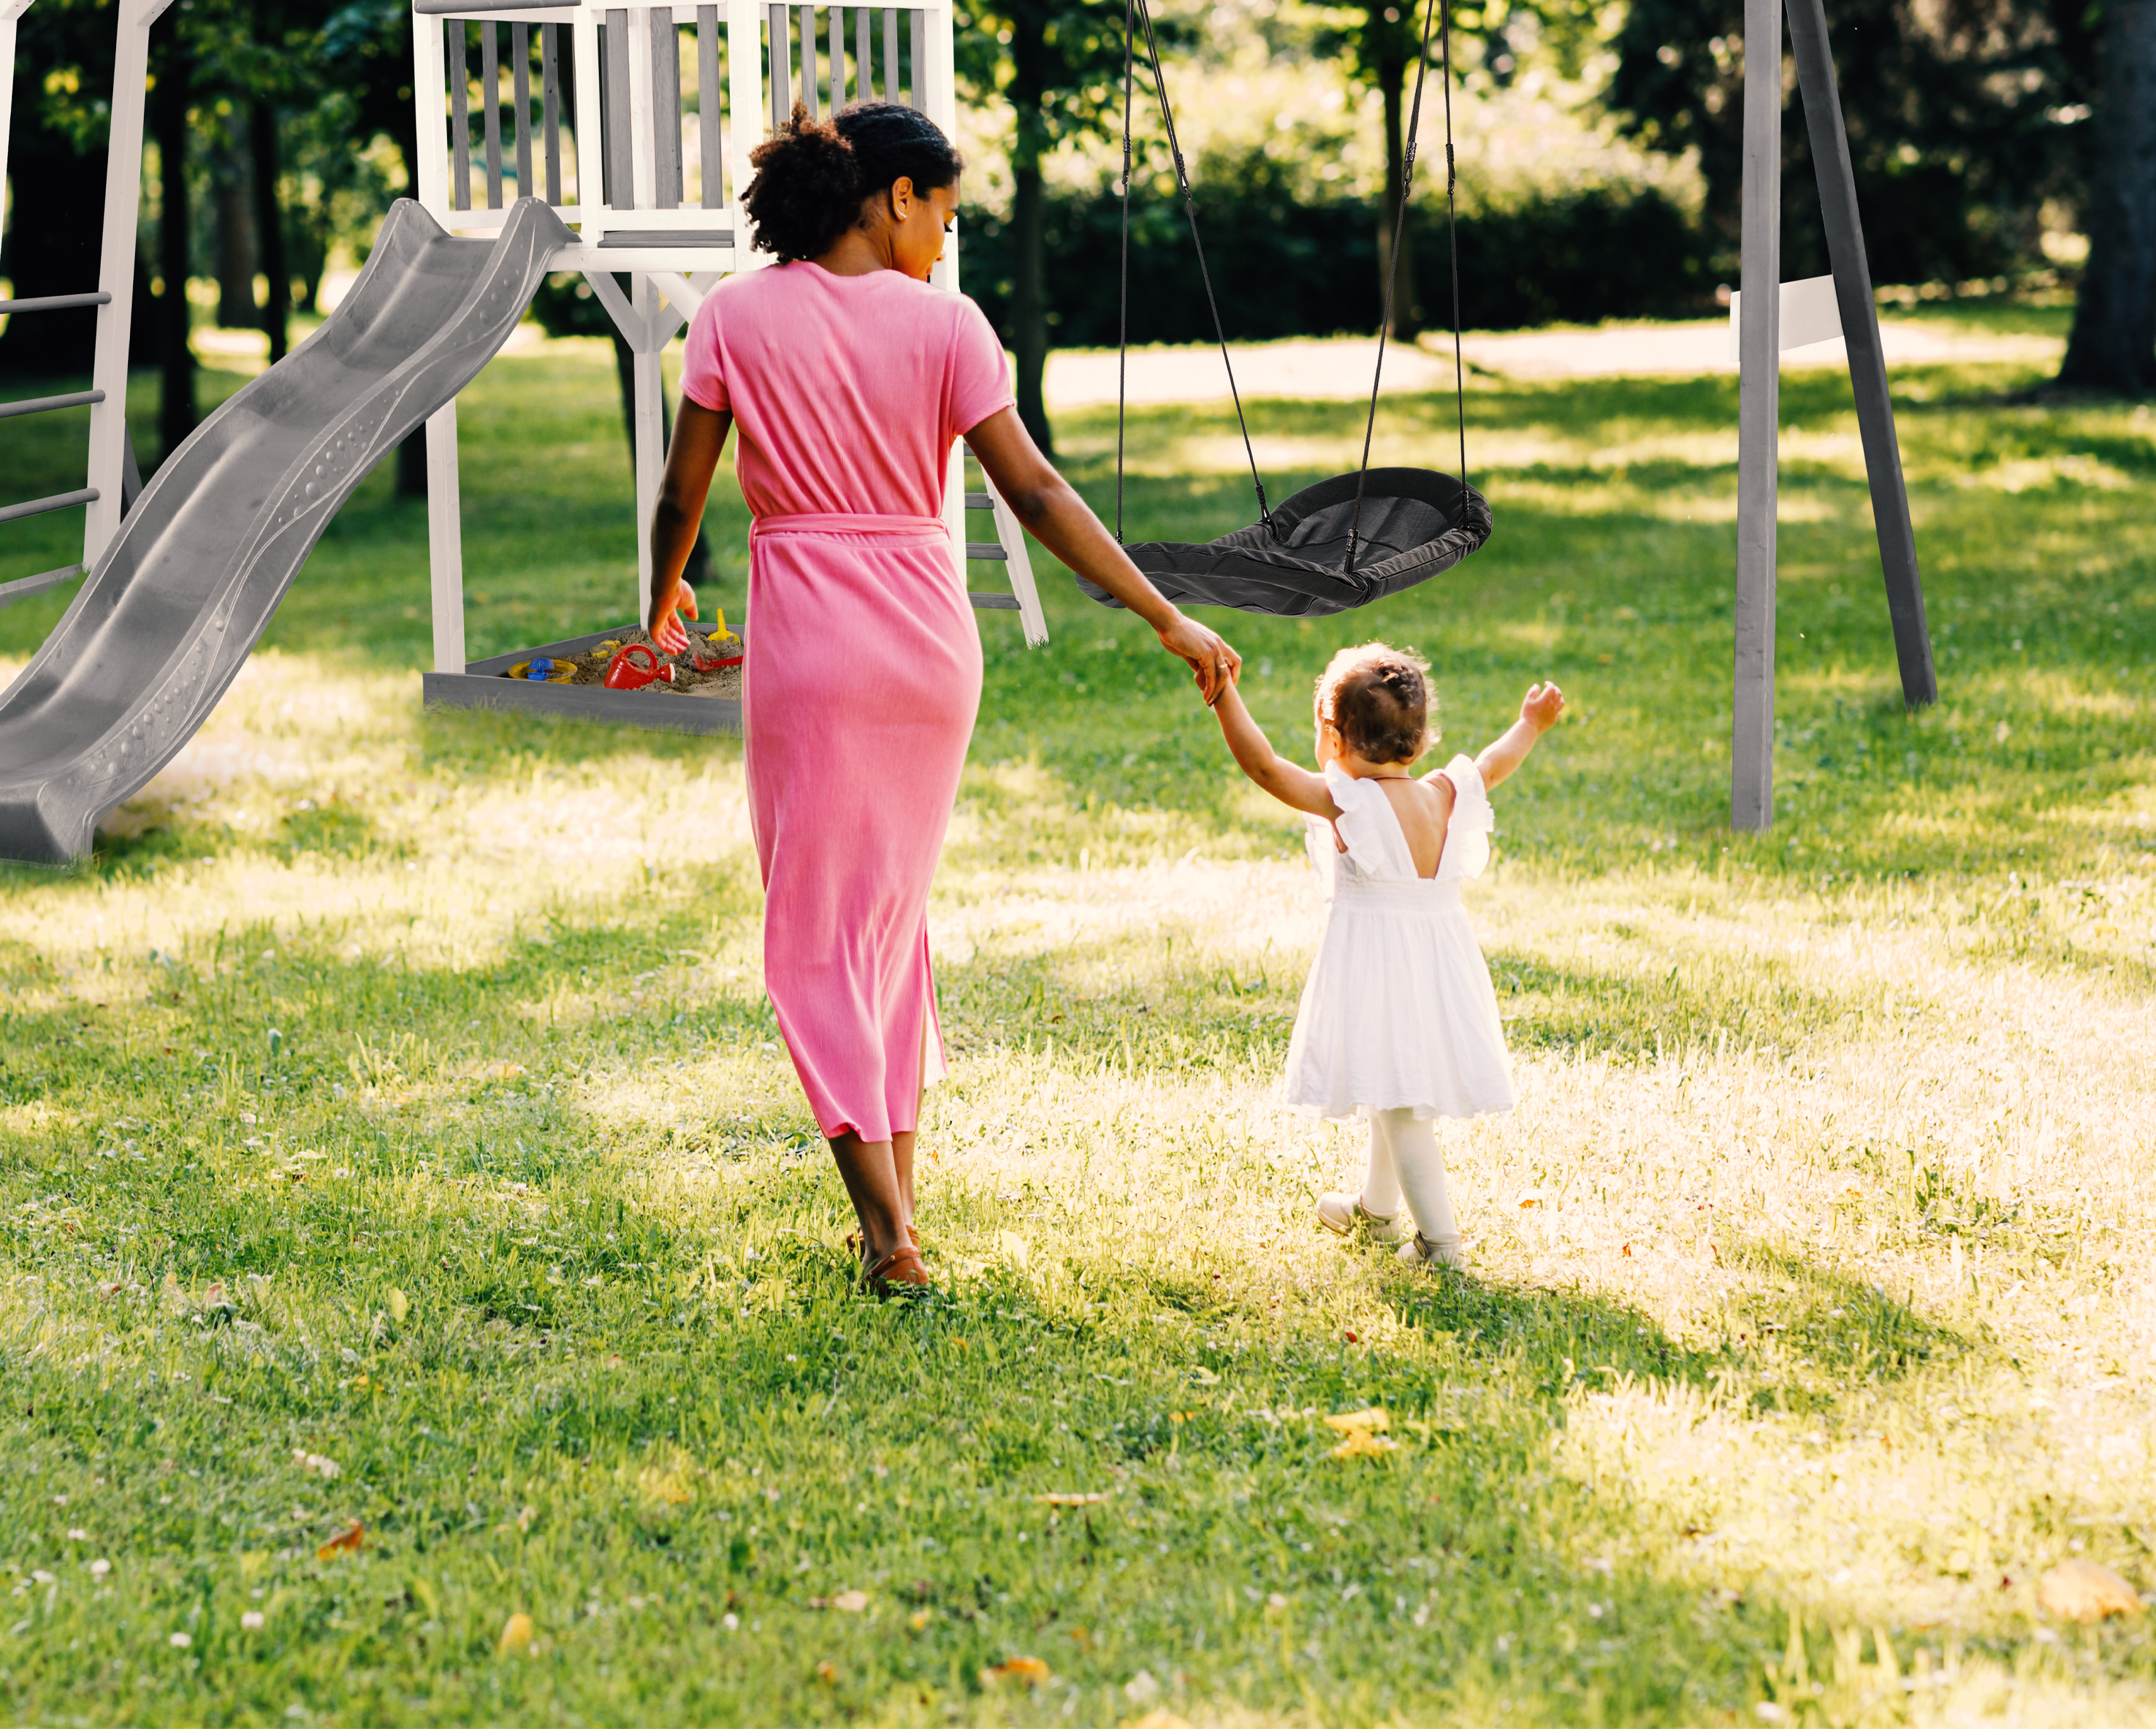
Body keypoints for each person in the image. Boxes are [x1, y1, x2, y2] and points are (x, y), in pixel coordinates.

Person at [645, 102, 1241, 1295]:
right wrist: (1163, 611)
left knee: (815, 939)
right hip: (928, 644)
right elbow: (1035, 493)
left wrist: (657, 602)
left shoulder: (733, 316)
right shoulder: (949, 328)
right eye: (947, 216)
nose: (946, 243)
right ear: (896, 197)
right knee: (886, 930)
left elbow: (683, 493)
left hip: (811, 644)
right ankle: (898, 1216)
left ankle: (886, 1237)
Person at [1205, 644, 1565, 1270]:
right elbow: (1494, 762)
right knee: (1387, 1082)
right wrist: (1530, 724)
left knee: (1400, 1107)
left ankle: (1440, 1244)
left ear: (1333, 737)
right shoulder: (1445, 793)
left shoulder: (1349, 803)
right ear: (1421, 741)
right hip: (1438, 966)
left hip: (1380, 969)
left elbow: (1263, 767)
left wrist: (1223, 693)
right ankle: (1375, 1212)